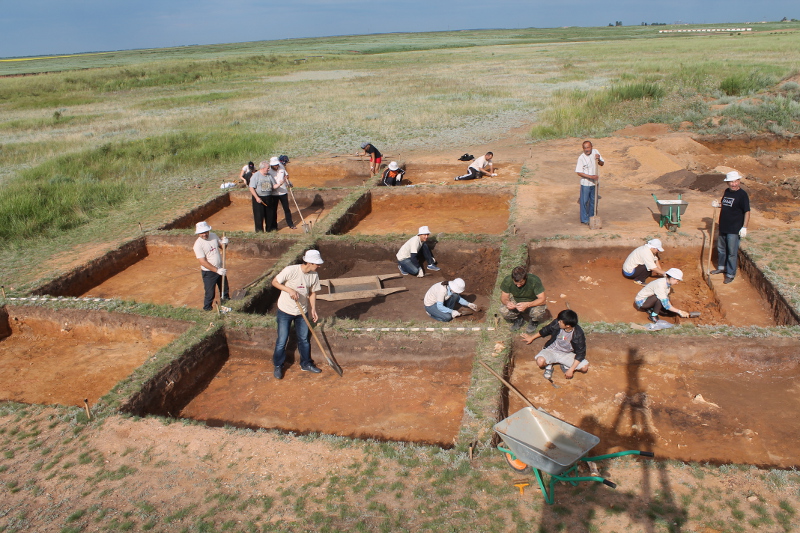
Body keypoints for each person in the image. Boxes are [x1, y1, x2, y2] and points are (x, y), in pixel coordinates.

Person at [271, 250, 325, 379]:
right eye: (317, 264)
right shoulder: (291, 270)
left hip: (302, 312)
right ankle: (278, 365)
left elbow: (312, 293)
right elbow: (275, 282)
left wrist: (313, 309)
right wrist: (289, 289)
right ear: (309, 262)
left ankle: (306, 363)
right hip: (285, 311)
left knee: (304, 340)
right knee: (282, 341)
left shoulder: (314, 275)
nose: (319, 266)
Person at [522, 309, 589, 380]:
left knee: (584, 368)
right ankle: (548, 365)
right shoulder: (556, 323)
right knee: (540, 362)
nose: (558, 322)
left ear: (568, 326)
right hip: (552, 350)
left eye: (561, 321)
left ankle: (565, 364)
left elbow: (580, 353)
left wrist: (571, 370)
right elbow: (545, 330)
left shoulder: (578, 334)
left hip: (566, 353)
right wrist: (531, 338)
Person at [711, 171, 750, 285]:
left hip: (734, 228)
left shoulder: (742, 195)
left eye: (735, 181)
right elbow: (726, 204)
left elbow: (747, 211)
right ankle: (721, 267)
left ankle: (730, 274)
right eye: (731, 182)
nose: (733, 184)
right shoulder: (727, 191)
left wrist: (744, 227)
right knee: (721, 249)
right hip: (723, 226)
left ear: (739, 181)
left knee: (732, 252)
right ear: (727, 183)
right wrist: (717, 205)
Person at [499, 266, 547, 333]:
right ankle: (518, 319)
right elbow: (504, 297)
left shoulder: (534, 280)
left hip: (532, 301)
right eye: (516, 283)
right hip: (517, 300)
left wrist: (527, 304)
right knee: (503, 310)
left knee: (538, 312)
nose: (518, 285)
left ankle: (534, 321)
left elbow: (542, 299)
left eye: (521, 283)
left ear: (526, 278)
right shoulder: (507, 280)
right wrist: (507, 302)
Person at [193, 221, 228, 311]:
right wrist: (217, 270)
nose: (204, 234)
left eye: (205, 232)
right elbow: (203, 262)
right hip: (209, 273)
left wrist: (225, 243)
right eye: (201, 233)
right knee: (210, 293)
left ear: (208, 230)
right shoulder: (198, 245)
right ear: (198, 234)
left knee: (225, 289)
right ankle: (207, 309)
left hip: (220, 268)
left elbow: (222, 247)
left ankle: (226, 305)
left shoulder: (213, 236)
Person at [575, 140, 604, 224]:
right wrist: (591, 177)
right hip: (585, 184)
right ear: (583, 149)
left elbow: (602, 163)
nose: (587, 149)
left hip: (595, 183)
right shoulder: (581, 158)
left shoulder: (596, 152)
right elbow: (579, 172)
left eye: (588, 147)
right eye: (585, 148)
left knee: (593, 201)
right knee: (584, 202)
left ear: (591, 147)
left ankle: (591, 218)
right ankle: (584, 219)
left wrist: (599, 160)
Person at [268, 156, 296, 230]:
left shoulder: (281, 167)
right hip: (274, 193)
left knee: (286, 209)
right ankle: (274, 226)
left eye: (277, 164)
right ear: (271, 165)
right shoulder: (269, 171)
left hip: (283, 191)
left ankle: (290, 224)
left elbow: (287, 175)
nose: (276, 166)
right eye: (275, 165)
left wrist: (286, 179)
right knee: (274, 210)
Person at [248, 161, 275, 232]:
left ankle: (269, 230)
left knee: (269, 214)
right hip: (259, 198)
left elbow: (273, 186)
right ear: (263, 168)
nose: (269, 169)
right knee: (259, 216)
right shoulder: (255, 176)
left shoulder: (269, 175)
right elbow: (251, 188)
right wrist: (257, 198)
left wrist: (281, 183)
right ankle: (259, 231)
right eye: (267, 168)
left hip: (268, 197)